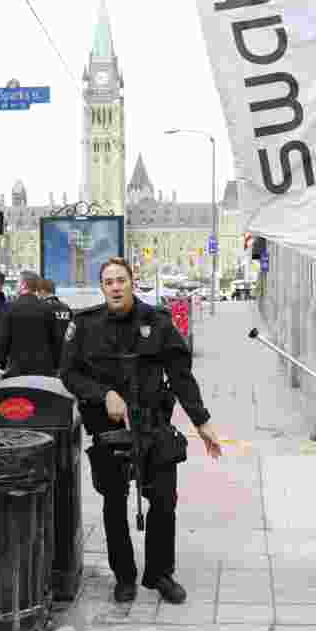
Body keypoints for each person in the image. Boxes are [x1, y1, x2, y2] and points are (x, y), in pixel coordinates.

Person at [60, 257, 222, 605]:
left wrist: (202, 422)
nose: (115, 287)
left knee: (164, 501)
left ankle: (160, 573)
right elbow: (69, 374)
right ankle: (124, 577)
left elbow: (181, 376)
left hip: (153, 424)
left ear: (133, 282)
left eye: (121, 280)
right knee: (114, 503)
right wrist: (103, 395)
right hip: (109, 428)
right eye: (108, 282)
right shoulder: (85, 325)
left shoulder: (158, 322)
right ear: (102, 287)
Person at [0, 271, 64, 378]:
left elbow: (3, 340)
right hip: (44, 370)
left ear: (23, 285)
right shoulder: (47, 309)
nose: (16, 286)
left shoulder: (9, 308)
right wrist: (57, 366)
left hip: (17, 369)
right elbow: (56, 340)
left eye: (17, 283)